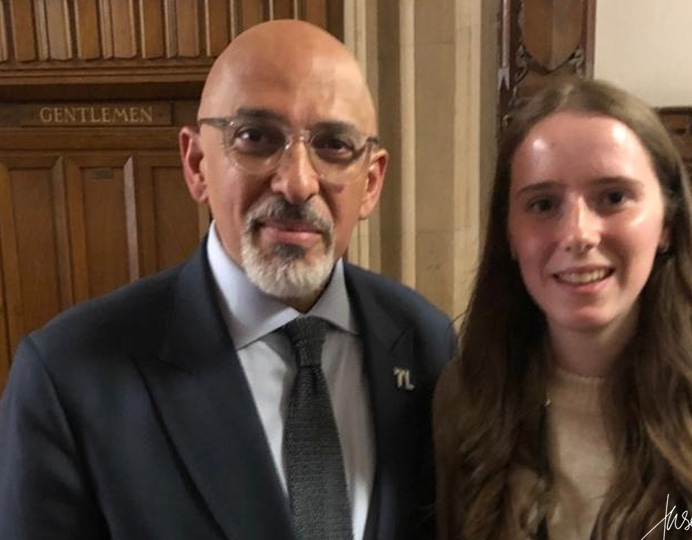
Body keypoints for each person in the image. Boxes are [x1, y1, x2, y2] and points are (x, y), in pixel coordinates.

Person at [0, 20, 452, 540]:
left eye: (333, 145)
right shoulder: (69, 377)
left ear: (370, 182)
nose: (298, 182)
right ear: (195, 163)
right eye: (256, 137)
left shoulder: (425, 342)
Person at [433, 78, 692, 540]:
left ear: (667, 224)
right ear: (510, 236)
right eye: (543, 204)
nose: (578, 233)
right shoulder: (467, 403)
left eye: (614, 197)